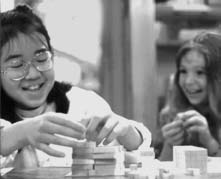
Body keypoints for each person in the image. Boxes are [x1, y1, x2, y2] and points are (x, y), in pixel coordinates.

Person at [0, 4, 151, 169]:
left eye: (42, 59)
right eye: (16, 65)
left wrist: (130, 135)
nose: (33, 74)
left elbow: (132, 156)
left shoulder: (82, 103)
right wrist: (14, 136)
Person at [154, 31, 221, 161]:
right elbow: (159, 170)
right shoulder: (170, 115)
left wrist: (209, 143)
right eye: (183, 71)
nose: (188, 81)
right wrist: (170, 144)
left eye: (200, 72)